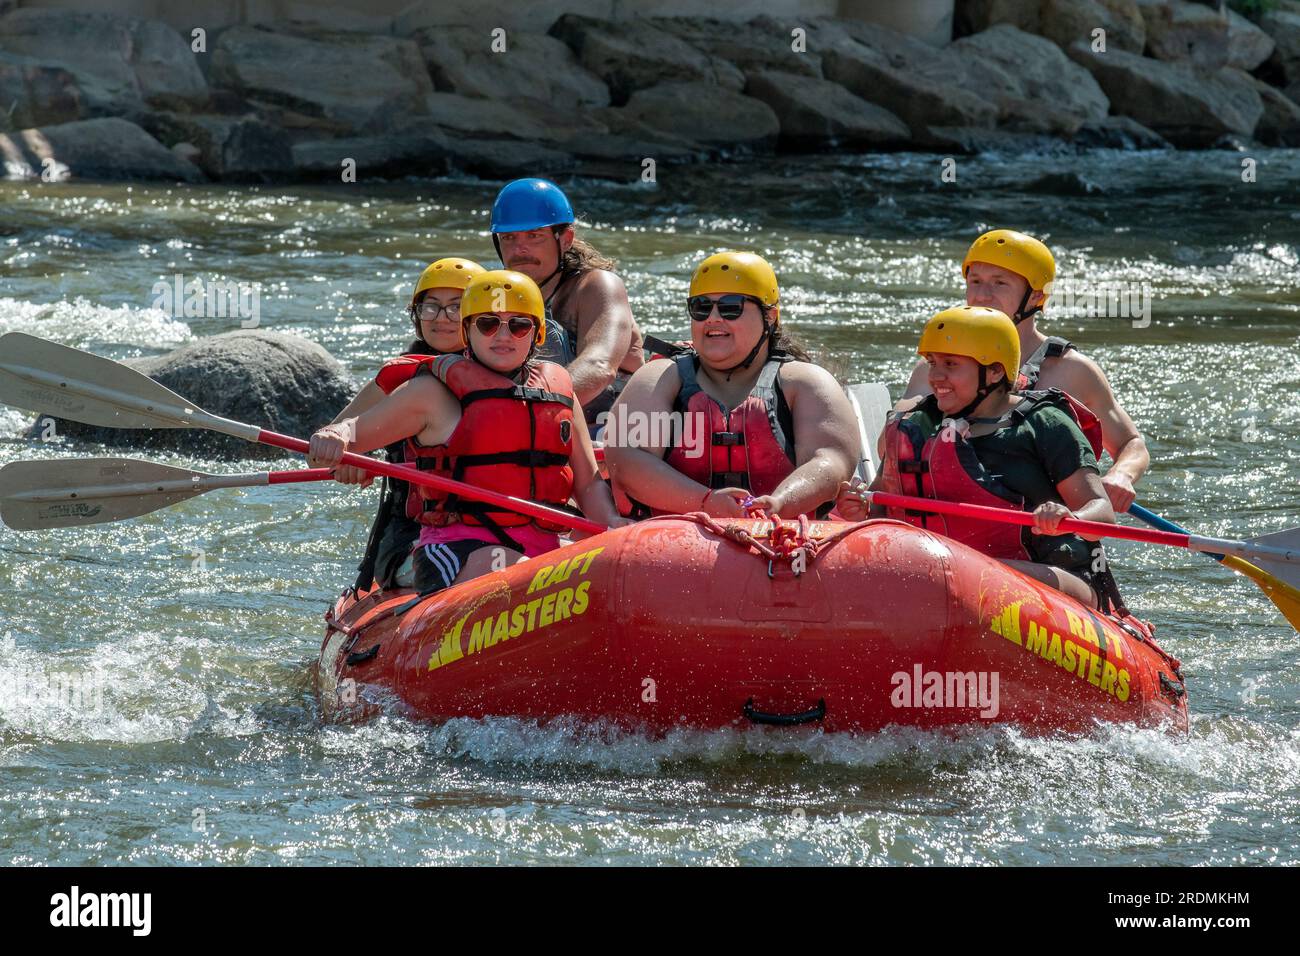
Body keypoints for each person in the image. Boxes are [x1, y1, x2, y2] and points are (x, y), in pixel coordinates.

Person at [309, 270, 624, 596]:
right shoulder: (432, 392)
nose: (503, 336)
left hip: (540, 544)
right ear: (467, 330)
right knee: (503, 565)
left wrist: (613, 525)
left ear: (537, 335)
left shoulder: (560, 394)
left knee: (605, 569)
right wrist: (338, 435)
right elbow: (354, 431)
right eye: (488, 324)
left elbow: (587, 483)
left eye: (518, 326)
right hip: (459, 547)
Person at [842, 305, 1119, 608]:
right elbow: (883, 505)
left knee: (950, 577)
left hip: (1051, 577)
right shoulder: (916, 426)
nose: (935, 377)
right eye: (932, 363)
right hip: (935, 574)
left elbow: (1102, 510)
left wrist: (1071, 519)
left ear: (995, 371)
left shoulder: (1045, 424)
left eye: (950, 364)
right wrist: (861, 509)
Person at [902, 229, 1148, 512]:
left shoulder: (1071, 370)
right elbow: (892, 441)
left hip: (1041, 525)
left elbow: (1131, 442)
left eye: (999, 283)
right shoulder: (935, 368)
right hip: (955, 515)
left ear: (1034, 297)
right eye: (976, 281)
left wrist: (1121, 474)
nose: (982, 295)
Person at [605, 251, 859, 520]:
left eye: (731, 307)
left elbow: (831, 462)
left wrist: (779, 503)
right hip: (672, 543)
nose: (713, 318)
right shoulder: (658, 378)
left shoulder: (804, 383)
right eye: (701, 307)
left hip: (782, 540)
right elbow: (626, 460)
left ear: (769, 317)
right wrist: (705, 502)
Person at [324, 257, 486, 592]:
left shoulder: (510, 379)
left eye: (456, 307)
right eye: (431, 307)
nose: (441, 319)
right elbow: (324, 451)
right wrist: (350, 457)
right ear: (417, 315)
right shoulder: (398, 379)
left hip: (498, 530)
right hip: (415, 537)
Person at [489, 178, 644, 430]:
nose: (520, 250)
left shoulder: (596, 286)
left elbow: (599, 367)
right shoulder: (499, 294)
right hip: (545, 422)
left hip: (608, 428)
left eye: (534, 236)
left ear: (565, 238)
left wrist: (525, 413)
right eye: (508, 238)